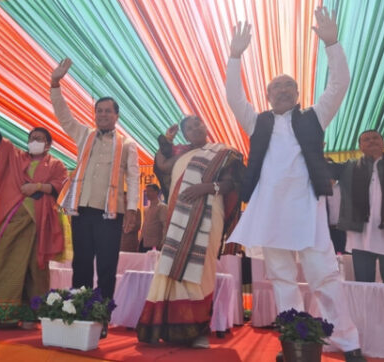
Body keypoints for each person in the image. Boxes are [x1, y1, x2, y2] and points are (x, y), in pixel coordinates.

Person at [225, 7, 366, 361]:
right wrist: (234, 57)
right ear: (268, 94)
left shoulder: (314, 117)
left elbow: (339, 85)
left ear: (298, 92)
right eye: (277, 86)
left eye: (290, 85)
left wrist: (332, 44)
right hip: (270, 212)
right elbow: (233, 98)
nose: (284, 90)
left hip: (307, 210)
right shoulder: (257, 122)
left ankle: (348, 344)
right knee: (283, 280)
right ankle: (295, 341)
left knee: (325, 277)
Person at [50, 58, 140, 337]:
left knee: (107, 266)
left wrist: (134, 210)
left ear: (116, 116)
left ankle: (101, 317)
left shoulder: (128, 144)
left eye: (107, 111)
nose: (102, 115)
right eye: (98, 111)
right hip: (82, 211)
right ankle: (78, 313)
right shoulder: (84, 134)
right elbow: (63, 115)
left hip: (111, 213)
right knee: (81, 263)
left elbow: (134, 178)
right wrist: (55, 84)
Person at [136, 116, 244, 349]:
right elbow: (162, 166)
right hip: (179, 219)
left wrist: (205, 188)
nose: (195, 129)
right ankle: (171, 329)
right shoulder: (181, 155)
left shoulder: (222, 152)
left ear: (206, 126)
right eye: (190, 128)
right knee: (171, 270)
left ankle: (198, 331)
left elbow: (231, 184)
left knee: (201, 269)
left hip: (209, 214)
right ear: (185, 134)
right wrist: (166, 140)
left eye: (198, 124)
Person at [0, 94, 68, 328]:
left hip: (41, 221)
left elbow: (59, 187)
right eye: (32, 138)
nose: (34, 141)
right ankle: (5, 313)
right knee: (6, 261)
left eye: (39, 138)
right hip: (15, 219)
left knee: (36, 269)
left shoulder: (56, 164)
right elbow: (1, 142)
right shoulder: (19, 158)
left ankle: (31, 314)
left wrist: (37, 186)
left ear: (48, 144)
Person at [330, 130, 384, 283]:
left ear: (383, 143)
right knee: (364, 283)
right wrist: (315, 148)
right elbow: (324, 168)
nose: (372, 141)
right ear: (360, 147)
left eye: (375, 138)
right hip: (360, 234)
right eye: (366, 139)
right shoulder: (349, 168)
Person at [326, 157, 347, 254]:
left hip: (344, 230)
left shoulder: (342, 188)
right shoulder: (317, 192)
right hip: (327, 231)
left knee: (346, 258)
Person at [138, 184, 167, 252]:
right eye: (146, 191)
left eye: (149, 191)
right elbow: (144, 226)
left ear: (156, 192)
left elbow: (165, 225)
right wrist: (140, 240)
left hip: (155, 243)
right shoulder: (146, 209)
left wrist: (163, 242)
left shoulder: (162, 207)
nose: (147, 193)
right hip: (144, 241)